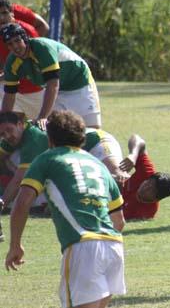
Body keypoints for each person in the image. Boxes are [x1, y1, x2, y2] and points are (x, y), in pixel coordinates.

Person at [4, 110, 126, 308]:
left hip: (83, 245)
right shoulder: (98, 165)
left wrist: (15, 245)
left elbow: (22, 202)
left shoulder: (47, 159)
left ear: (50, 139)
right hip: (114, 247)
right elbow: (119, 221)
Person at [0, 23, 101, 128]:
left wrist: (43, 116)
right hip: (59, 91)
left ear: (25, 38)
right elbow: (9, 95)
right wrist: (3, 123)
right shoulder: (12, 62)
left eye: (17, 41)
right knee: (58, 131)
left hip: (80, 82)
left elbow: (53, 85)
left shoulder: (42, 48)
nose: (15, 46)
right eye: (10, 44)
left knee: (92, 129)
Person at [0, 0, 45, 119]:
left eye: (4, 13)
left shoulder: (24, 32)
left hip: (35, 89)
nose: (1, 18)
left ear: (12, 13)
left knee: (44, 128)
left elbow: (23, 66)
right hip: (13, 89)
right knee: (11, 126)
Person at [118, 134, 170, 220]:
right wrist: (133, 155)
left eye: (151, 190)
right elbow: (137, 139)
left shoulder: (145, 213)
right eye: (148, 183)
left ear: (155, 199)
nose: (145, 187)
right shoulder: (147, 173)